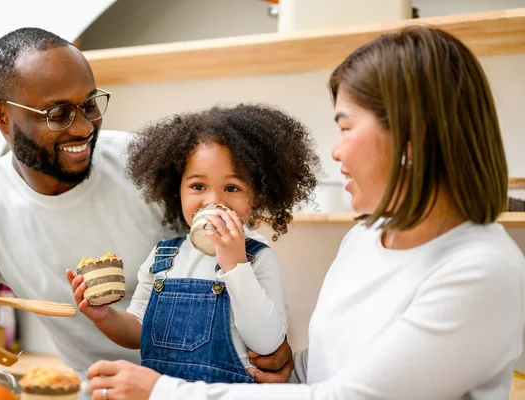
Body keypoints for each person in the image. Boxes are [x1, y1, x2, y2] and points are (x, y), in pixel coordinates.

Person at [84, 25, 525, 400]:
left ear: (412, 138)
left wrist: (163, 391)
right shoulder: (365, 239)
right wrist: (289, 368)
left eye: (345, 126)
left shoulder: (483, 273)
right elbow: (339, 368)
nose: (335, 150)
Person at [0, 27, 293, 393]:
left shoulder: (141, 163)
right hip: (103, 390)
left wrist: (271, 346)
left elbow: (235, 241)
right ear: (0, 116)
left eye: (89, 104)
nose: (85, 127)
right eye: (58, 113)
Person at [68, 104, 320, 385]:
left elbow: (267, 343)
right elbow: (139, 330)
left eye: (232, 188)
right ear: (177, 190)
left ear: (257, 196)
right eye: (198, 186)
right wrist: (103, 317)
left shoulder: (258, 258)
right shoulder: (163, 257)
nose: (213, 201)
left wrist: (236, 265)